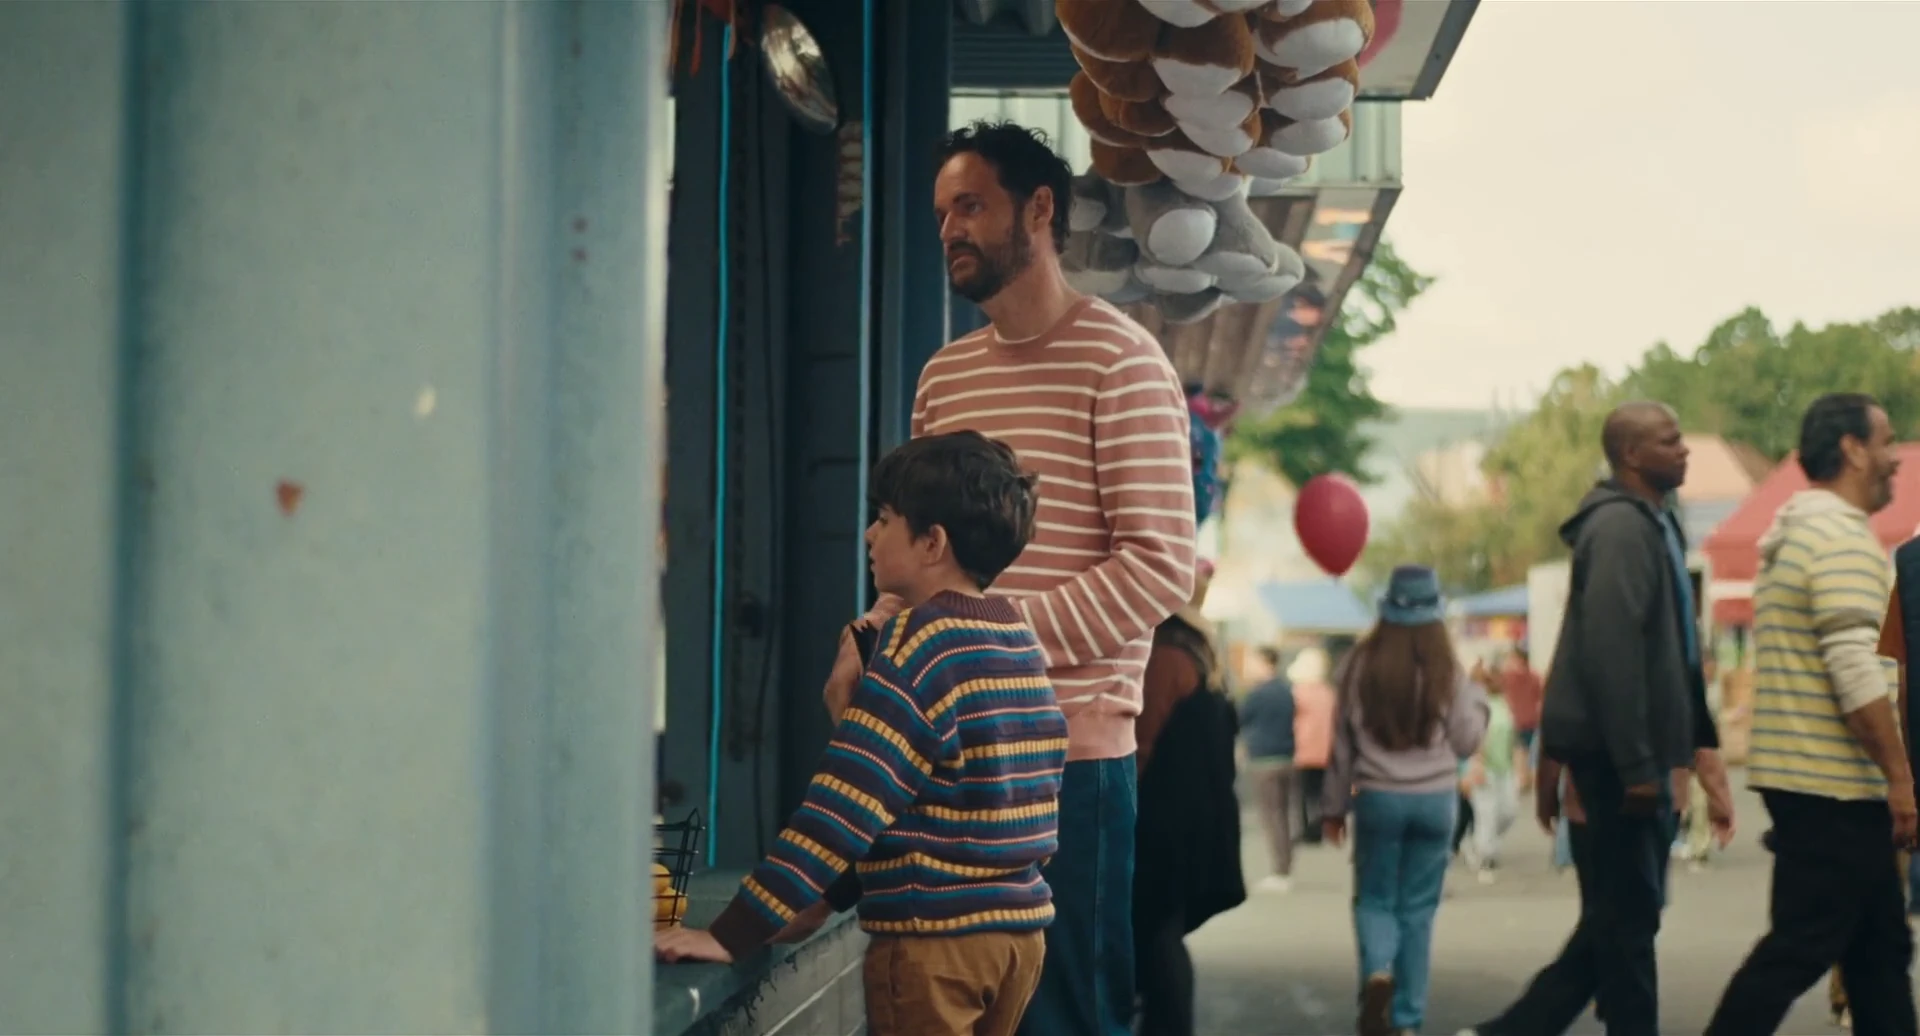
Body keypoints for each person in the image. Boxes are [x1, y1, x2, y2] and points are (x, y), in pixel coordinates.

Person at [819, 120, 1197, 1036]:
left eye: (971, 206)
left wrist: (986, 651)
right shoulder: (944, 378)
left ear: (1039, 211)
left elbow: (1160, 566)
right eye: (942, 212)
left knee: (1063, 1018)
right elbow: (921, 557)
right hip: (939, 759)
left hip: (1068, 760)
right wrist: (870, 640)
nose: (950, 228)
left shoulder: (1123, 361)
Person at [656, 431, 1067, 1036]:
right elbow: (958, 796)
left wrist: (732, 933)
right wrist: (818, 902)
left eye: (885, 519)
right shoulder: (1017, 639)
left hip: (933, 944)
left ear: (932, 542)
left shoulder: (919, 646)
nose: (871, 535)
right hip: (1018, 941)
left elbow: (844, 805)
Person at [1459, 401, 1733, 1036]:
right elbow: (1612, 653)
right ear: (1631, 454)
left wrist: (1700, 753)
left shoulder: (1656, 523)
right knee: (1626, 926)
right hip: (1619, 766)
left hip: (1639, 759)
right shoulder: (1618, 530)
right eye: (1670, 440)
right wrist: (1637, 766)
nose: (1685, 449)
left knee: (1620, 923)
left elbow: (1678, 657)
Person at [1704, 393, 1916, 1036]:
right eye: (1885, 441)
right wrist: (1900, 779)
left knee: (1878, 956)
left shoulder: (1797, 532)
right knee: (1800, 947)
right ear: (1852, 450)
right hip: (1834, 788)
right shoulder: (1839, 540)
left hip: (1808, 779)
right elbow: (1855, 671)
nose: (1895, 458)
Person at [1323, 565, 1489, 1036]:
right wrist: (1478, 698)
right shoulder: (1447, 669)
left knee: (1375, 899)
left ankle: (1378, 972)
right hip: (1435, 801)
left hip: (1378, 797)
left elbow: (1341, 748)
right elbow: (1467, 741)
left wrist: (1333, 809)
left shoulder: (1359, 664)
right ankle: (1407, 1020)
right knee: (1418, 911)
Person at [1133, 561, 1246, 1036]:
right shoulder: (1201, 655)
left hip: (1161, 823)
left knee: (1154, 934)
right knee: (1165, 933)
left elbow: (1143, 741)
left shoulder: (1165, 657)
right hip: (1196, 820)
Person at [1238, 644, 1299, 892]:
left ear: (1265, 663)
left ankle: (1280, 871)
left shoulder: (1257, 694)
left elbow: (1239, 719)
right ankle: (1285, 865)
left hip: (1264, 760)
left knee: (1271, 816)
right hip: (1287, 757)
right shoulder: (1287, 690)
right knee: (1283, 814)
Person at [1465, 662, 1522, 884]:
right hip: (1483, 767)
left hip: (1504, 768)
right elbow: (1471, 737)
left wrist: (1520, 766)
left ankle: (1480, 842)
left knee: (1509, 811)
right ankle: (1484, 857)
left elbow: (1513, 736)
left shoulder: (1503, 703)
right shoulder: (1473, 705)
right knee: (1486, 813)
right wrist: (1475, 765)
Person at [1290, 647, 1337, 845]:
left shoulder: (1298, 693)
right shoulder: (1329, 693)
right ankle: (1319, 827)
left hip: (1304, 749)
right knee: (1320, 792)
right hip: (1327, 750)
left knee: (1303, 793)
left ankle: (1307, 829)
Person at [1500, 648, 1544, 782]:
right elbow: (1541, 697)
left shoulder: (1509, 677)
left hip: (1517, 722)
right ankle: (1529, 779)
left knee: (1520, 753)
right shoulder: (1535, 677)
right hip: (1533, 721)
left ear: (1519, 660)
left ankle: (1523, 780)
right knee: (1532, 755)